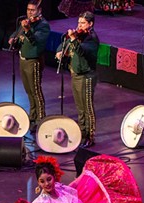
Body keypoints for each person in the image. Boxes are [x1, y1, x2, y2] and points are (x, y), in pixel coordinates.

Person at [56, 12, 99, 147]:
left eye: (83, 23)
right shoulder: (78, 35)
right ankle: (82, 132)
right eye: (78, 22)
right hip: (75, 74)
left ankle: (90, 137)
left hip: (86, 76)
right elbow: (65, 42)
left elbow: (81, 51)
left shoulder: (91, 38)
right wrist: (60, 51)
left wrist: (74, 39)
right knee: (80, 108)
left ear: (90, 24)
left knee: (87, 108)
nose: (79, 25)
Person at [9, 1, 50, 129]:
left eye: (33, 10)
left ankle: (41, 118)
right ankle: (33, 115)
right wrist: (12, 38)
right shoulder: (26, 21)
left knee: (36, 91)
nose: (30, 12)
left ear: (39, 11)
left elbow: (35, 41)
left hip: (34, 61)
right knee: (28, 91)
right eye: (28, 9)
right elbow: (17, 32)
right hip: (23, 59)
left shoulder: (43, 25)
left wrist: (27, 30)